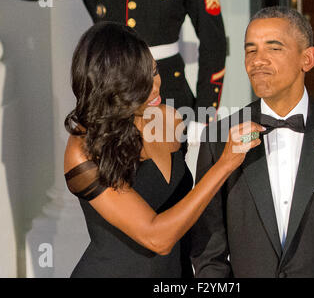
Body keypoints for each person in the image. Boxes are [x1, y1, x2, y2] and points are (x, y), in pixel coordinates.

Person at [189, 6, 314, 278]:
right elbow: (208, 252)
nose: (257, 61)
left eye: (273, 48)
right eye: (250, 50)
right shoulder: (218, 136)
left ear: (307, 59)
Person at [63, 21, 263, 278]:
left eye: (154, 71)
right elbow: (157, 237)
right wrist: (224, 164)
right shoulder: (82, 150)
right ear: (111, 85)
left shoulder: (169, 118)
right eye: (139, 81)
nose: (155, 86)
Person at [12, 0, 226, 124]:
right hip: (109, 98)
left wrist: (202, 118)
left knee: (172, 181)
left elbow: (213, 42)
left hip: (166, 94)